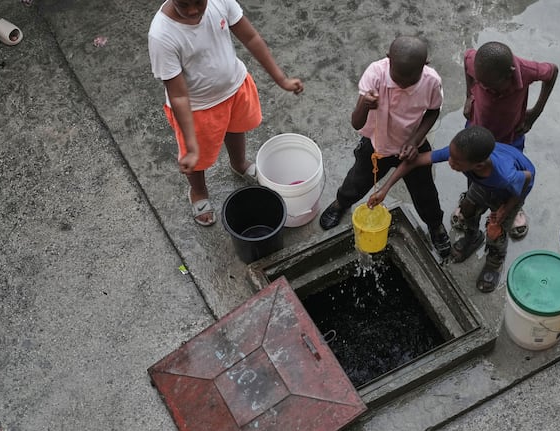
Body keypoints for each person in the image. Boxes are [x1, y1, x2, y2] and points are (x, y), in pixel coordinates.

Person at [148, 0, 303, 226]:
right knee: (197, 159)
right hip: (196, 108)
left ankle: (239, 163)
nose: (192, 10)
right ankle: (198, 192)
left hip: (234, 88)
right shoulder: (162, 35)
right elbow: (179, 96)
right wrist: (190, 146)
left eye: (198, 2)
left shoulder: (221, 2)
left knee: (236, 128)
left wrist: (282, 79)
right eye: (183, 4)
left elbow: (251, 38)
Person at [318, 36, 450, 258]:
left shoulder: (431, 81)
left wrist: (416, 140)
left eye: (411, 80)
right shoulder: (375, 75)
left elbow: (433, 110)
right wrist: (364, 105)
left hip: (412, 146)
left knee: (425, 192)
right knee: (357, 180)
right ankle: (341, 203)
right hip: (377, 143)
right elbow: (356, 123)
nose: (404, 85)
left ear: (425, 65)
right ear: (388, 60)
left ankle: (435, 225)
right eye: (399, 79)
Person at [368, 126, 535, 293]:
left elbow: (527, 177)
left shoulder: (505, 175)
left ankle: (494, 262)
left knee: (496, 231)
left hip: (512, 192)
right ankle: (473, 237)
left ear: (478, 165)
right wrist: (384, 189)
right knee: (467, 208)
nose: (450, 162)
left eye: (456, 162)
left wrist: (505, 209)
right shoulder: (460, 153)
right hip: (485, 183)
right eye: (451, 156)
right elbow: (416, 161)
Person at [456, 41, 556, 240]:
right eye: (480, 83)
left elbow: (552, 72)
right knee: (475, 170)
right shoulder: (475, 61)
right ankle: (471, 199)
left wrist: (536, 111)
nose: (485, 88)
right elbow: (467, 58)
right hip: (477, 131)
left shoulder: (527, 71)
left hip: (510, 138)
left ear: (510, 72)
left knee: (510, 176)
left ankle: (513, 208)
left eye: (491, 86)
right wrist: (469, 96)